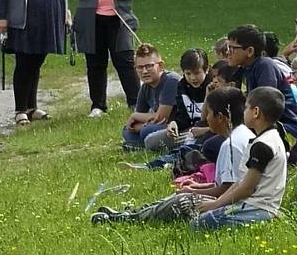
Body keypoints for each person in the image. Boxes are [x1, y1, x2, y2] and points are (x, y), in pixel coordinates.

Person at [93, 87, 253, 224]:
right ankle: (139, 211)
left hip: (234, 206)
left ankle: (131, 217)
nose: (206, 118)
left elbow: (225, 190)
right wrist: (197, 187)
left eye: (209, 113)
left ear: (221, 117)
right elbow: (229, 184)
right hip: (233, 199)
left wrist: (194, 193)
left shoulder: (231, 144)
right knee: (185, 193)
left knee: (183, 201)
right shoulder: (243, 134)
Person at [192, 86, 289, 230]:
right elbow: (240, 182)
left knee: (199, 223)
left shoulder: (262, 145)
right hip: (261, 206)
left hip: (257, 208)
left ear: (255, 112)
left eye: (246, 108)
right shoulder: (271, 137)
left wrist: (215, 205)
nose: (243, 112)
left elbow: (246, 188)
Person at [226, 24, 297, 141]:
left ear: (250, 51)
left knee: (217, 144)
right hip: (258, 127)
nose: (228, 52)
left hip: (284, 130)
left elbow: (265, 106)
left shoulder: (265, 66)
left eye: (232, 48)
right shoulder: (244, 69)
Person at [144, 48, 211, 151]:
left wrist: (203, 131)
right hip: (189, 131)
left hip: (209, 132)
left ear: (206, 70)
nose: (193, 78)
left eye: (197, 73)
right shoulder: (182, 85)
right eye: (188, 74)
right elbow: (183, 117)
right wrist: (174, 124)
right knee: (150, 141)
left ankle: (188, 148)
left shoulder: (213, 86)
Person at [121, 44, 179, 150]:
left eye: (149, 66)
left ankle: (141, 145)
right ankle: (145, 144)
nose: (144, 71)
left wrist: (134, 116)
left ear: (160, 66)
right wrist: (141, 121)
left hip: (176, 127)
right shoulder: (145, 88)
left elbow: (161, 118)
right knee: (127, 131)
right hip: (158, 127)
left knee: (146, 131)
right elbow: (135, 123)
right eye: (140, 67)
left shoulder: (171, 80)